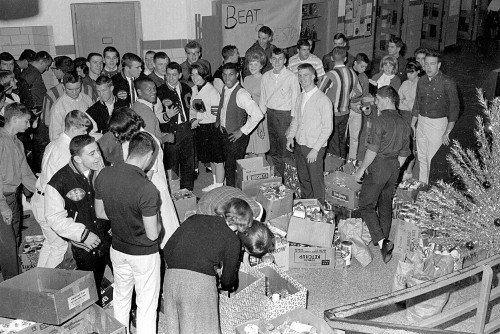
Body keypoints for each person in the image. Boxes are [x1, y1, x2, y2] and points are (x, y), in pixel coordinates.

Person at [95, 132, 162, 334]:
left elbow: (100, 212)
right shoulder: (147, 189)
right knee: (146, 306)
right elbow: (152, 234)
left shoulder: (104, 174)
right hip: (144, 255)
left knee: (121, 297)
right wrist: (160, 224)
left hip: (118, 249)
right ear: (149, 155)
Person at [163, 198, 253, 334]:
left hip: (171, 279)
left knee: (176, 327)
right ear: (244, 223)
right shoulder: (232, 240)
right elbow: (227, 281)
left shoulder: (195, 218)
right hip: (199, 286)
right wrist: (221, 281)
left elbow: (167, 249)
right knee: (204, 328)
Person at [45, 134, 110, 302]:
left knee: (126, 278)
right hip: (85, 246)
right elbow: (54, 218)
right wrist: (83, 234)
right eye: (92, 153)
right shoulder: (59, 182)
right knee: (90, 291)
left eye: (98, 151)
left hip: (110, 237)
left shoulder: (105, 171)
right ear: (77, 159)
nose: (99, 156)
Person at [354, 86, 410, 264]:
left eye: (377, 99)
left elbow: (372, 150)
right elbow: (404, 153)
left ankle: (382, 241)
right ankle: (384, 240)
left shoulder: (380, 120)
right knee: (385, 203)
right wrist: (395, 167)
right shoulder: (405, 123)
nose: (376, 102)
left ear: (386, 99)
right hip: (394, 166)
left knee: (366, 204)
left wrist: (361, 169)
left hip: (378, 165)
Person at [107, 107, 180, 245]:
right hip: (137, 189)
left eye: (118, 132)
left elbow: (147, 175)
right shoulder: (129, 139)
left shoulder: (148, 140)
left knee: (163, 234)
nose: (116, 136)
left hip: (150, 190)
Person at [32, 110, 91, 268]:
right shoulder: (66, 151)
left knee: (50, 244)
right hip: (49, 203)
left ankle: (40, 279)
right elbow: (67, 185)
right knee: (59, 247)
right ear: (73, 129)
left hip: (39, 198)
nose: (86, 133)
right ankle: (49, 288)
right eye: (84, 130)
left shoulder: (55, 142)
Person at [0, 103, 37, 280]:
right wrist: (3, 207)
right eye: (26, 121)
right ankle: (14, 286)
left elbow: (25, 174)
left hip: (13, 198)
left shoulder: (18, 143)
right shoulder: (0, 141)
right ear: (14, 120)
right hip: (2, 200)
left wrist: (43, 192)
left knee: (14, 240)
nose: (29, 125)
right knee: (8, 249)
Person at [286, 63, 333, 203]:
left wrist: (315, 149)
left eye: (305, 75)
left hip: (314, 148)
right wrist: (290, 137)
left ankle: (319, 209)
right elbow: (295, 120)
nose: (302, 78)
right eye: (299, 76)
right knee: (304, 179)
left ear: (313, 76)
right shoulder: (300, 97)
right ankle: (307, 205)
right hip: (300, 145)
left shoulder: (323, 100)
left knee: (316, 181)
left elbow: (327, 128)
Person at [412, 50, 459, 185]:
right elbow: (417, 101)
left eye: (432, 64)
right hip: (421, 121)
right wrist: (413, 122)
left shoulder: (447, 82)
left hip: (437, 124)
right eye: (426, 64)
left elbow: (454, 108)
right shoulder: (421, 80)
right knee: (421, 157)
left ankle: (431, 190)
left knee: (432, 158)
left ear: (439, 65)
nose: (428, 67)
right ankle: (422, 186)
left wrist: (448, 130)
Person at [217, 63, 263, 187]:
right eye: (225, 75)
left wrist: (242, 131)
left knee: (232, 168)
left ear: (237, 75)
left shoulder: (241, 94)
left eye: (231, 75)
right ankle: (231, 190)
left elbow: (258, 114)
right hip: (226, 133)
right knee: (228, 165)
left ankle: (234, 195)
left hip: (236, 136)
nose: (227, 79)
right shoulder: (225, 88)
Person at [260, 48, 300, 177]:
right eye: (274, 59)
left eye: (280, 59)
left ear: (285, 60)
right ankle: (279, 175)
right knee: (274, 149)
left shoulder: (291, 77)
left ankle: (289, 178)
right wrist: (261, 120)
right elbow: (263, 99)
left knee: (285, 149)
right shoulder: (266, 76)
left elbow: (296, 101)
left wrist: (293, 123)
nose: (277, 62)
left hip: (285, 116)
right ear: (270, 60)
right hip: (271, 114)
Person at [157, 62, 195, 191]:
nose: (171, 78)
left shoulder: (187, 88)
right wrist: (167, 116)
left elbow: (193, 107)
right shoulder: (160, 92)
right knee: (172, 164)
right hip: (171, 131)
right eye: (168, 74)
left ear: (180, 75)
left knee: (188, 163)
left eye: (174, 75)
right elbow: (156, 115)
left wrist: (194, 119)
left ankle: (188, 192)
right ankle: (174, 193)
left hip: (186, 128)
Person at [319, 46, 362, 159]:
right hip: (345, 113)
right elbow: (359, 92)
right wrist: (348, 97)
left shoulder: (330, 75)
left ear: (332, 58)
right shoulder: (352, 73)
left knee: (333, 143)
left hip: (331, 114)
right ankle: (342, 165)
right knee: (342, 141)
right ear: (346, 58)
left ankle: (334, 169)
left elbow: (319, 94)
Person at [189, 63, 224, 192]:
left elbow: (215, 116)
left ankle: (220, 185)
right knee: (211, 158)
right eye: (192, 74)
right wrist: (193, 119)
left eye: (197, 74)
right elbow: (192, 109)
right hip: (200, 128)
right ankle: (215, 182)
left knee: (218, 159)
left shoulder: (212, 91)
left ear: (204, 74)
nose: (194, 77)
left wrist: (198, 119)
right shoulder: (194, 89)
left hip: (212, 128)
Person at [20, 51, 53, 173]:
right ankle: (40, 170)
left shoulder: (32, 71)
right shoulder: (32, 72)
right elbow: (22, 88)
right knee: (41, 143)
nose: (47, 68)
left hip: (38, 111)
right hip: (36, 112)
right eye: (47, 65)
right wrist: (30, 109)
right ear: (41, 61)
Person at [49, 71, 98, 141]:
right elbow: (54, 135)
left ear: (81, 84)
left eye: (77, 88)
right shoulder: (58, 106)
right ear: (63, 87)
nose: (74, 92)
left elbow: (93, 124)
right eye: (70, 89)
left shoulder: (87, 99)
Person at [243, 50, 269, 159]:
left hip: (260, 119)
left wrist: (260, 124)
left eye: (256, 64)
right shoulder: (246, 79)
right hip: (249, 118)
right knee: (250, 150)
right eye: (250, 64)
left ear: (262, 65)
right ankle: (253, 174)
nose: (252, 67)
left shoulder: (265, 79)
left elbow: (265, 104)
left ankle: (263, 174)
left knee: (260, 149)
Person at [399, 59, 422, 181]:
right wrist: (407, 103)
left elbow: (416, 104)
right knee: (404, 143)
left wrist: (406, 102)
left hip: (415, 117)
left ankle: (410, 170)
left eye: (412, 72)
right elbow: (399, 101)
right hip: (404, 116)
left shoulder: (420, 84)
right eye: (408, 72)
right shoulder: (404, 84)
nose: (409, 75)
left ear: (418, 72)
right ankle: (404, 168)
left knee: (413, 145)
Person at [132, 76, 173, 144]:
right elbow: (149, 142)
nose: (154, 92)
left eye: (154, 88)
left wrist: (161, 135)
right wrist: (166, 138)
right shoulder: (146, 112)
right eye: (149, 89)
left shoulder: (136, 105)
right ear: (139, 92)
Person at [348, 53, 371, 161]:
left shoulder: (364, 78)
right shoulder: (347, 73)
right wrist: (350, 104)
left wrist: (366, 108)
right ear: (355, 63)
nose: (364, 69)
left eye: (365, 67)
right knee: (342, 138)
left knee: (354, 137)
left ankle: (351, 161)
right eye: (362, 66)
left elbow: (365, 96)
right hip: (345, 108)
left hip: (357, 109)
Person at [42, 56, 74, 128]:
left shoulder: (51, 93)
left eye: (53, 69)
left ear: (59, 70)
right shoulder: (86, 87)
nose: (53, 71)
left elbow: (47, 121)